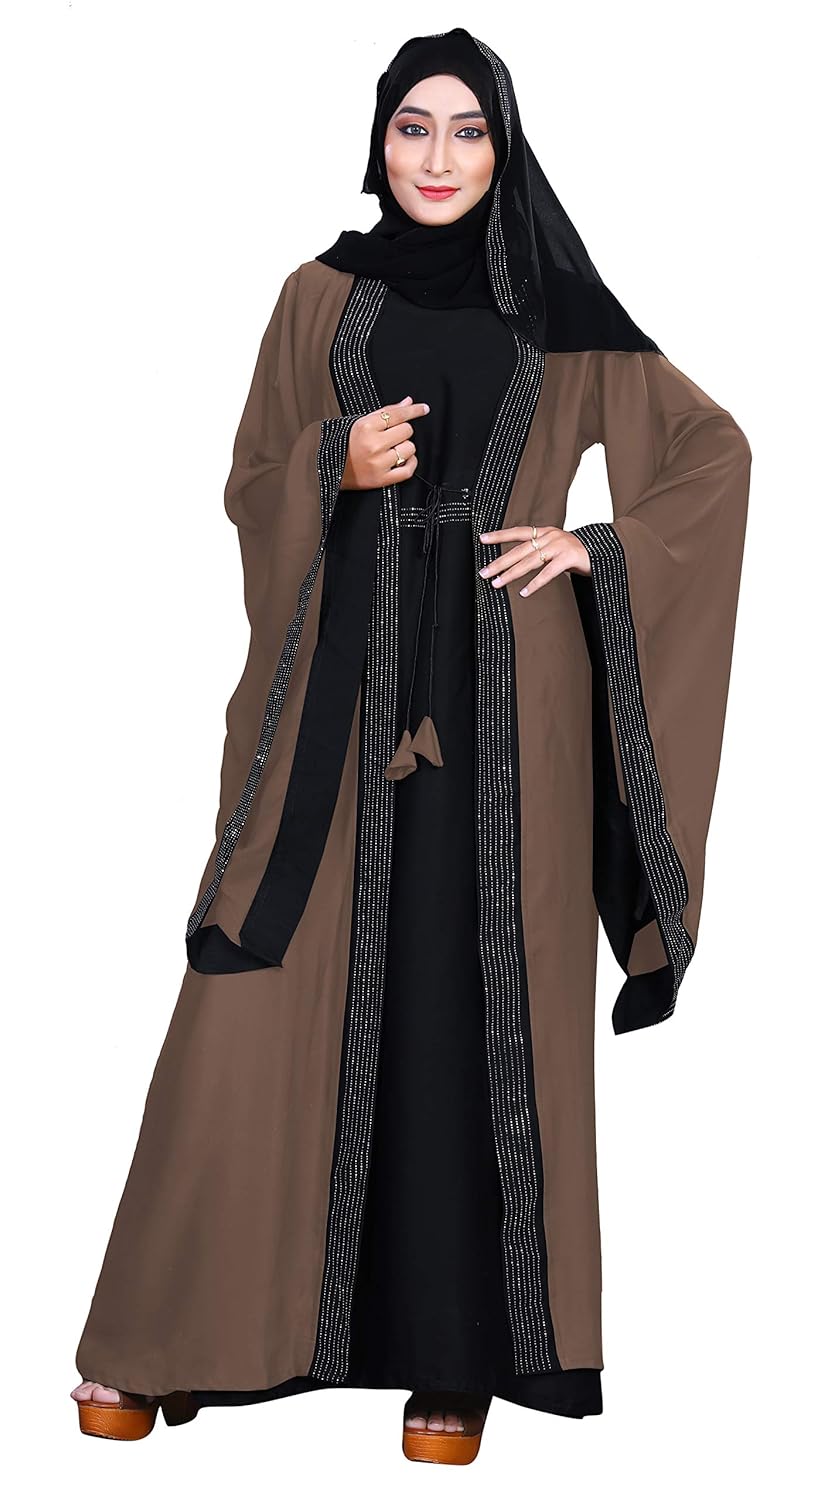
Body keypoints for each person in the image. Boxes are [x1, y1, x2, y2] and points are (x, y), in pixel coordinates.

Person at [71, 27, 751, 1466]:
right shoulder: (317, 295)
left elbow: (712, 455)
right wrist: (336, 462)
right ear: (377, 142)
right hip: (339, 696)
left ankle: (457, 1364)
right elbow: (250, 480)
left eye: (467, 131)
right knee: (250, 994)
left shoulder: (561, 308)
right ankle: (172, 1334)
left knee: (471, 999)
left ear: (504, 148)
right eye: (411, 129)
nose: (437, 158)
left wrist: (597, 548)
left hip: (510, 704)